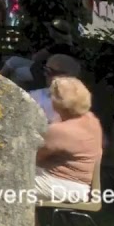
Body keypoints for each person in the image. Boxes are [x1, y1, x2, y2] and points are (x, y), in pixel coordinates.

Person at [35, 76, 103, 206]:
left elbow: (33, 158)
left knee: (3, 185)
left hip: (63, 186)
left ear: (56, 104)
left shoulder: (60, 130)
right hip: (81, 186)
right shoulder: (91, 120)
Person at [29, 54, 82, 123]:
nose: (45, 74)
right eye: (45, 70)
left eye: (49, 71)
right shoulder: (35, 95)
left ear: (67, 75)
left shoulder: (77, 107)